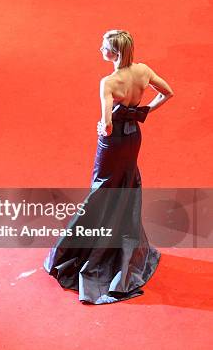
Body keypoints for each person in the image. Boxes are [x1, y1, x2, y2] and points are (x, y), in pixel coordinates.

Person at [43, 30, 175, 304]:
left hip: (113, 143)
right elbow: (168, 93)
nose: (100, 50)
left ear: (113, 53)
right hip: (133, 139)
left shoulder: (109, 82)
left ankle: (86, 253)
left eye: (103, 47)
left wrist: (103, 128)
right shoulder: (143, 70)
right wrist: (144, 110)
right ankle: (121, 250)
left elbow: (107, 124)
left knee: (101, 190)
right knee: (126, 185)